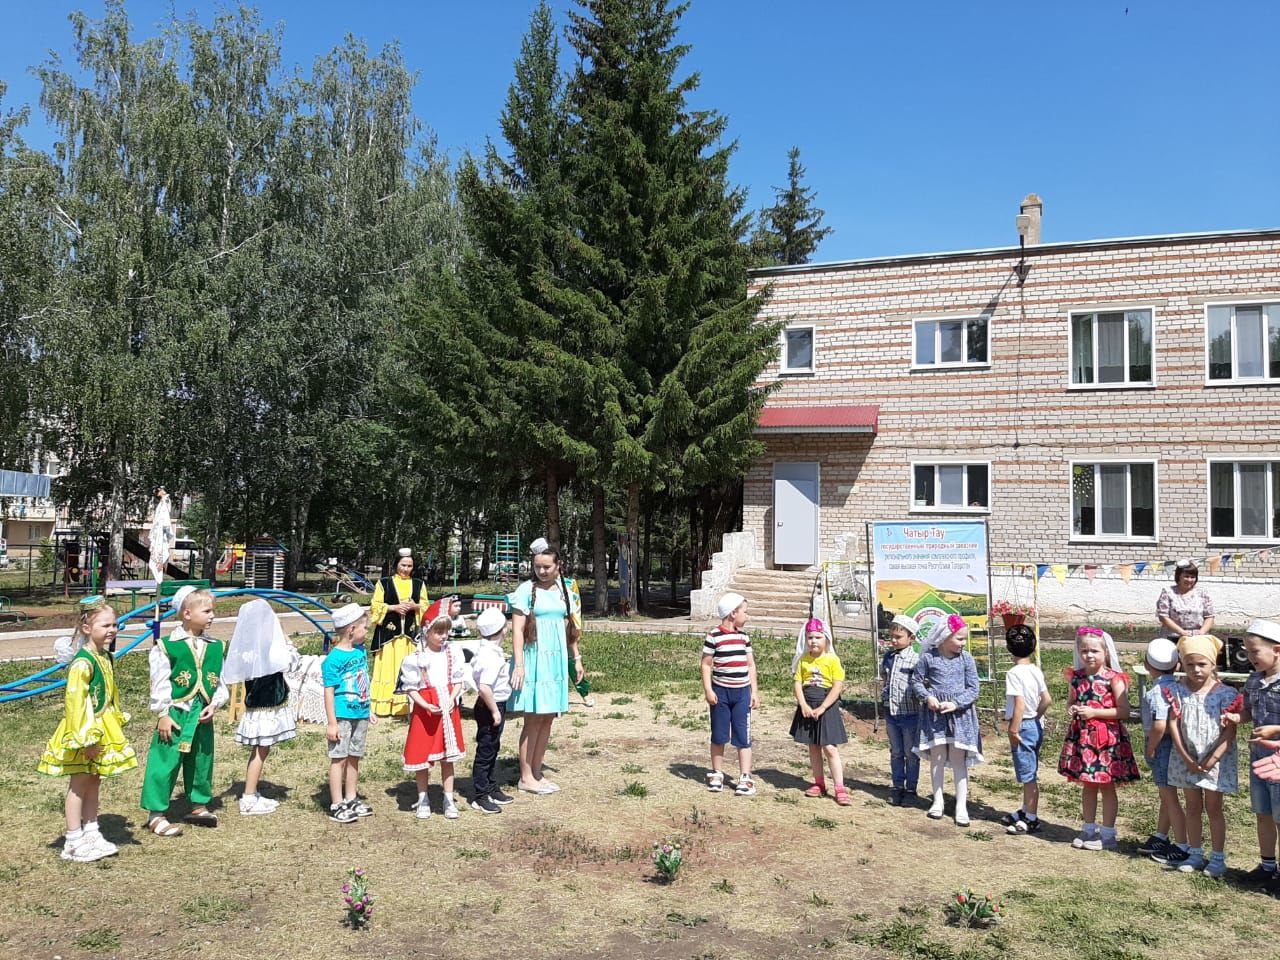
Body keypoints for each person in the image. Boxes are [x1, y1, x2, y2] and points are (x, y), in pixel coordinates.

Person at [37, 599, 138, 862]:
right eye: (105, 625)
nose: (112, 630)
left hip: (103, 726)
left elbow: (110, 693)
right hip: (84, 729)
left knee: (95, 780)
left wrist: (115, 720)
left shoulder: (104, 656)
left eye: (115, 624)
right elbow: (76, 703)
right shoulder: (83, 663)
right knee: (80, 782)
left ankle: (91, 831)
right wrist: (85, 739)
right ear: (85, 627)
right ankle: (72, 839)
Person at [140, 586, 227, 837]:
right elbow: (160, 682)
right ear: (187, 613)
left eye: (213, 611)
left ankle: (198, 805)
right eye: (207, 610)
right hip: (177, 712)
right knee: (165, 761)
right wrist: (163, 713)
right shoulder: (167, 646)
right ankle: (156, 813)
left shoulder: (216, 646)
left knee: (201, 759)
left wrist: (215, 703)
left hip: (202, 713)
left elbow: (220, 681)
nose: (212, 616)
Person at [508, 539, 582, 795]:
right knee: (533, 719)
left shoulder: (564, 591)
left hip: (556, 660)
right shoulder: (526, 590)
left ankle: (537, 773)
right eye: (538, 567)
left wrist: (576, 658)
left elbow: (570, 628)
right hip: (534, 658)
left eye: (547, 567)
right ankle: (525, 776)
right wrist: (519, 665)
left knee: (548, 718)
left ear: (558, 566)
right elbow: (517, 630)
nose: (542, 571)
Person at [1057, 627, 1140, 851]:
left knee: (1107, 786)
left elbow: (1123, 711)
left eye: (1094, 650)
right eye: (1084, 650)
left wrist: (1095, 713)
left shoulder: (1113, 679)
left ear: (1106, 652)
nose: (1089, 655)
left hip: (1107, 741)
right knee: (1088, 785)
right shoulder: (1076, 677)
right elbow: (1071, 701)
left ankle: (1108, 832)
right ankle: (1088, 827)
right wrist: (1073, 708)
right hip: (1084, 740)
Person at [1166, 634, 1239, 878]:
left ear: (1213, 664)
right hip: (1186, 757)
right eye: (1190, 664)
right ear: (1182, 665)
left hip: (1214, 761)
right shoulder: (1177, 691)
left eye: (1202, 664)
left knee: (1214, 807)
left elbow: (1229, 732)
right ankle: (1195, 852)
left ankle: (1218, 857)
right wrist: (1186, 757)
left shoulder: (1225, 694)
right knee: (1193, 806)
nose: (1196, 670)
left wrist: (1211, 760)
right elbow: (1173, 725)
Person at [222, 598, 300, 816]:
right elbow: (293, 662)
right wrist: (287, 640)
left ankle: (251, 792)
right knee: (261, 750)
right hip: (267, 706)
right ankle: (248, 797)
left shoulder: (247, 650)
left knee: (260, 750)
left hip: (256, 705)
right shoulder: (271, 648)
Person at [911, 614, 983, 826]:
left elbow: (973, 688)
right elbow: (916, 681)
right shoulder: (929, 658)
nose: (963, 643)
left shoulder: (966, 659)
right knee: (938, 758)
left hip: (960, 716)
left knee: (959, 760)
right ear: (944, 637)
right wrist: (928, 697)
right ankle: (938, 801)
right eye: (959, 639)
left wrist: (956, 703)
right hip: (935, 717)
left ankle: (961, 805)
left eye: (964, 639)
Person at [401, 602, 471, 820]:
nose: (443, 636)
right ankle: (423, 797)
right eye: (438, 632)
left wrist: (452, 699)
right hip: (427, 710)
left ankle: (448, 797)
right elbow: (410, 688)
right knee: (422, 754)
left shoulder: (452, 653)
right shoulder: (416, 658)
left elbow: (458, 680)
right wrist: (424, 704)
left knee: (447, 756)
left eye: (446, 632)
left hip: (447, 708)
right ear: (427, 631)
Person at [1232, 618, 1280, 892]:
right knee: (1263, 813)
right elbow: (1248, 711)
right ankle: (1266, 865)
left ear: (1277, 650)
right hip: (1259, 759)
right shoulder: (1253, 680)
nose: (1250, 658)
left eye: (1255, 652)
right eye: (1248, 652)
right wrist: (1236, 717)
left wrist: (1275, 729)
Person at [1136, 637, 1190, 866]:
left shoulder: (1156, 691)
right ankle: (1161, 835)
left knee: (1169, 797)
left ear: (1148, 666)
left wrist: (1151, 747)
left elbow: (1159, 725)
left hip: (1162, 746)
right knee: (1167, 795)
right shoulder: (1179, 687)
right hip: (1178, 745)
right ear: (1177, 665)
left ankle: (1181, 844)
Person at [701, 591, 759, 797]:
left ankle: (745, 776)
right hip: (720, 693)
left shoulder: (744, 637)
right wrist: (708, 689)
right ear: (733, 613)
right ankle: (716, 773)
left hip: (742, 693)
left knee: (743, 736)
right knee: (718, 735)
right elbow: (706, 665)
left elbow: (751, 665)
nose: (747, 616)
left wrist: (754, 691)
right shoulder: (714, 636)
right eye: (745, 611)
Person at [323, 603, 375, 824]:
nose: (367, 632)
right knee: (339, 759)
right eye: (364, 627)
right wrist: (332, 723)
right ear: (351, 629)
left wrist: (369, 709)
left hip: (360, 713)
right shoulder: (333, 660)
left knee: (354, 757)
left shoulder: (360, 651)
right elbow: (329, 692)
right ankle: (337, 803)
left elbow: (363, 681)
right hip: (343, 715)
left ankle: (351, 797)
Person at [790, 618, 849, 805]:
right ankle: (819, 783)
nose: (813, 641)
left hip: (826, 705)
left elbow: (837, 686)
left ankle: (839, 787)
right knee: (813, 746)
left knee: (830, 748)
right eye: (810, 637)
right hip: (808, 704)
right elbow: (798, 683)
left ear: (826, 639)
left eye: (817, 637)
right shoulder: (803, 660)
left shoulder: (832, 660)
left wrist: (823, 707)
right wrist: (804, 705)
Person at [1001, 624, 1051, 835]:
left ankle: (1031, 818)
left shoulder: (1013, 673)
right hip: (1034, 725)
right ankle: (1025, 809)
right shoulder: (1035, 670)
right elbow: (1046, 699)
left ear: (1008, 648)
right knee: (1029, 770)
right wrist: (1036, 717)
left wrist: (1014, 730)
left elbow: (1019, 704)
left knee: (1028, 776)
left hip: (1022, 726)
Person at [369, 548, 428, 718]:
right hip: (389, 636)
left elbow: (425, 606)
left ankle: (406, 705)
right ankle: (383, 705)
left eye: (409, 566)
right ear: (396, 565)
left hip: (409, 637)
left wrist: (414, 606)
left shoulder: (419, 584)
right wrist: (393, 607)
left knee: (408, 668)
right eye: (403, 565)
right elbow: (375, 606)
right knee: (387, 669)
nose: (406, 569)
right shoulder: (384, 583)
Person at [469, 608, 514, 814]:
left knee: (493, 747)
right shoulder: (491, 657)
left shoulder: (489, 651)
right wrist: (495, 711)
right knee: (486, 750)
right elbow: (485, 687)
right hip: (491, 706)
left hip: (495, 704)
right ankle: (480, 795)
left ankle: (490, 786)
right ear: (503, 630)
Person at [880, 614, 921, 806]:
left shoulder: (916, 659)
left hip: (910, 714)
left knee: (911, 753)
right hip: (892, 713)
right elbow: (885, 678)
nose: (894, 640)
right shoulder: (888, 657)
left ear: (911, 638)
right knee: (896, 751)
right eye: (892, 637)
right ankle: (897, 786)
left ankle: (911, 788)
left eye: (899, 637)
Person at [1156, 559, 1215, 639]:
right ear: (1179, 576)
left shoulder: (1202, 593)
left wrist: (1202, 632)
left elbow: (1210, 616)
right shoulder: (1168, 592)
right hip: (1173, 637)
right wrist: (1181, 632)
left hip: (1198, 638)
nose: (1189, 580)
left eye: (1192, 577)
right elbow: (1163, 617)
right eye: (1186, 576)